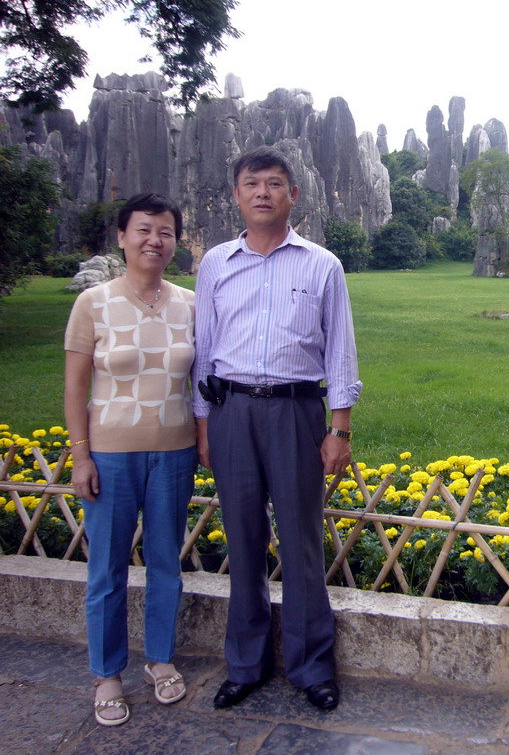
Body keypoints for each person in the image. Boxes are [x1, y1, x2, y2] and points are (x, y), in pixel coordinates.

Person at [193, 146, 361, 712]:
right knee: (241, 541)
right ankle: (245, 663)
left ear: (294, 195)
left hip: (296, 413)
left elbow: (340, 348)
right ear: (236, 196)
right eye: (251, 184)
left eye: (274, 184)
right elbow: (203, 351)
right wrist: (204, 425)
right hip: (232, 411)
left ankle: (312, 667)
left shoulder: (321, 264)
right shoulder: (216, 263)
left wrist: (340, 427)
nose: (262, 192)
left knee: (301, 541)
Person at [64, 193, 196, 727]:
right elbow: (75, 388)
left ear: (175, 241)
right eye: (143, 230)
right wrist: (80, 457)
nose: (154, 241)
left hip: (175, 453)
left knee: (167, 563)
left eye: (165, 232)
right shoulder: (93, 303)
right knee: (107, 570)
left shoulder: (191, 303)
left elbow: (201, 382)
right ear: (122, 237)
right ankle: (107, 673)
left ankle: (160, 658)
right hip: (111, 455)